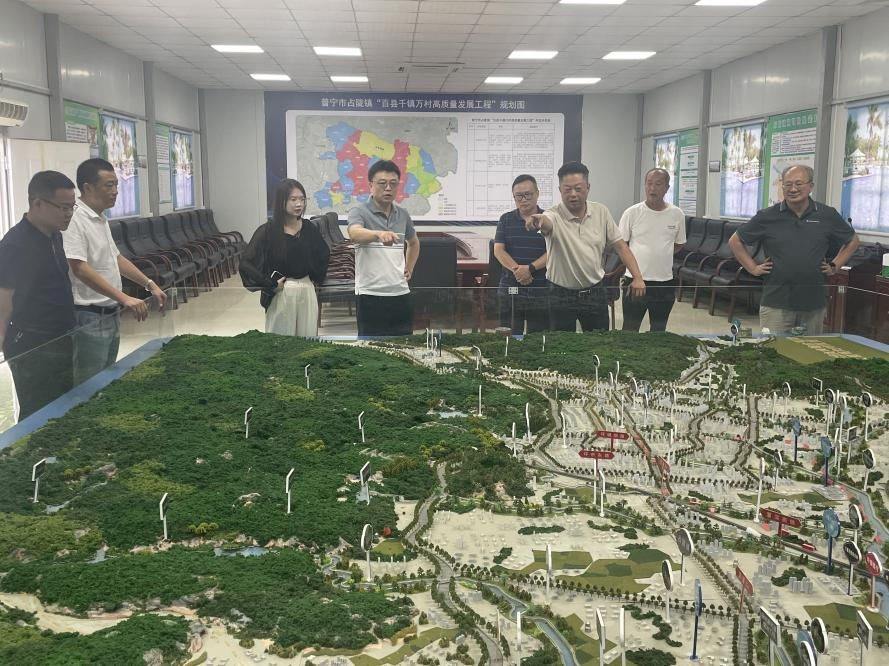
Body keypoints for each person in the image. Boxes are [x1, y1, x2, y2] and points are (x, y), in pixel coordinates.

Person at [63, 158, 167, 385]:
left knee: (107, 376)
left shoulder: (100, 217)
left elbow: (116, 258)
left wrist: (149, 284)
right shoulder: (75, 219)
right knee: (89, 384)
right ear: (88, 188)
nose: (115, 191)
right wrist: (124, 298)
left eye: (116, 185)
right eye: (108, 185)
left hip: (110, 311)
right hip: (89, 315)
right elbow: (79, 268)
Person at [729, 165, 859, 335]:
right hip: (776, 302)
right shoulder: (767, 216)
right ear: (782, 186)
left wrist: (835, 265)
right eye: (787, 184)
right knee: (773, 348)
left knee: (809, 350)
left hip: (813, 303)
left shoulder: (827, 215)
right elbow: (735, 241)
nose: (793, 189)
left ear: (811, 186)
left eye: (799, 183)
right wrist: (753, 268)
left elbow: (853, 241)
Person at [527, 161, 646, 332]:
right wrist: (538, 222)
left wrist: (638, 277)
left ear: (588, 187)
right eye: (567, 189)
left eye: (578, 188)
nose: (573, 194)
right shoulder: (552, 214)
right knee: (561, 344)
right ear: (560, 190)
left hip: (594, 293)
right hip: (560, 294)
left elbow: (621, 247)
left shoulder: (601, 212)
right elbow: (546, 222)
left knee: (598, 341)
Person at [0, 171, 77, 419]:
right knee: (37, 411)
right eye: (63, 207)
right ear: (37, 203)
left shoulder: (55, 235)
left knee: (63, 403)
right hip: (32, 342)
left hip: (61, 336)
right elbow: (4, 298)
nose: (69, 213)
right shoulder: (15, 244)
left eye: (72, 207)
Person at [239, 179, 330, 336]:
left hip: (306, 289)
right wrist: (269, 283)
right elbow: (246, 263)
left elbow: (323, 254)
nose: (299, 204)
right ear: (281, 201)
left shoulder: (309, 228)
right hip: (282, 291)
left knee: (307, 338)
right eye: (293, 199)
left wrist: (315, 277)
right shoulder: (268, 230)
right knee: (281, 339)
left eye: (302, 199)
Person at [347, 160, 420, 336]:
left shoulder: (402, 214)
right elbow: (354, 233)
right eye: (382, 183)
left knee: (404, 344)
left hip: (400, 291)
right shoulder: (359, 211)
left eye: (393, 184)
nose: (388, 188)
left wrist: (409, 267)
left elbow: (414, 242)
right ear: (371, 185)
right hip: (370, 293)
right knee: (370, 346)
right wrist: (378, 234)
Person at [618, 168, 686, 332]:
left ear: (667, 188)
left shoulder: (677, 214)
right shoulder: (632, 213)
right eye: (649, 184)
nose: (652, 188)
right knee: (630, 329)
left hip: (664, 282)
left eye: (658, 184)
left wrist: (661, 254)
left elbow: (679, 244)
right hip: (635, 281)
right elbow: (621, 245)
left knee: (658, 329)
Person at [494, 175, 549, 335]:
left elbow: (554, 251)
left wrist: (530, 268)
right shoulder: (505, 219)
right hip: (510, 288)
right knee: (509, 337)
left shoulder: (548, 219)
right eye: (519, 196)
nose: (523, 200)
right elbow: (499, 250)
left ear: (537, 193)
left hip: (540, 288)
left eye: (528, 195)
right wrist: (518, 270)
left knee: (538, 338)